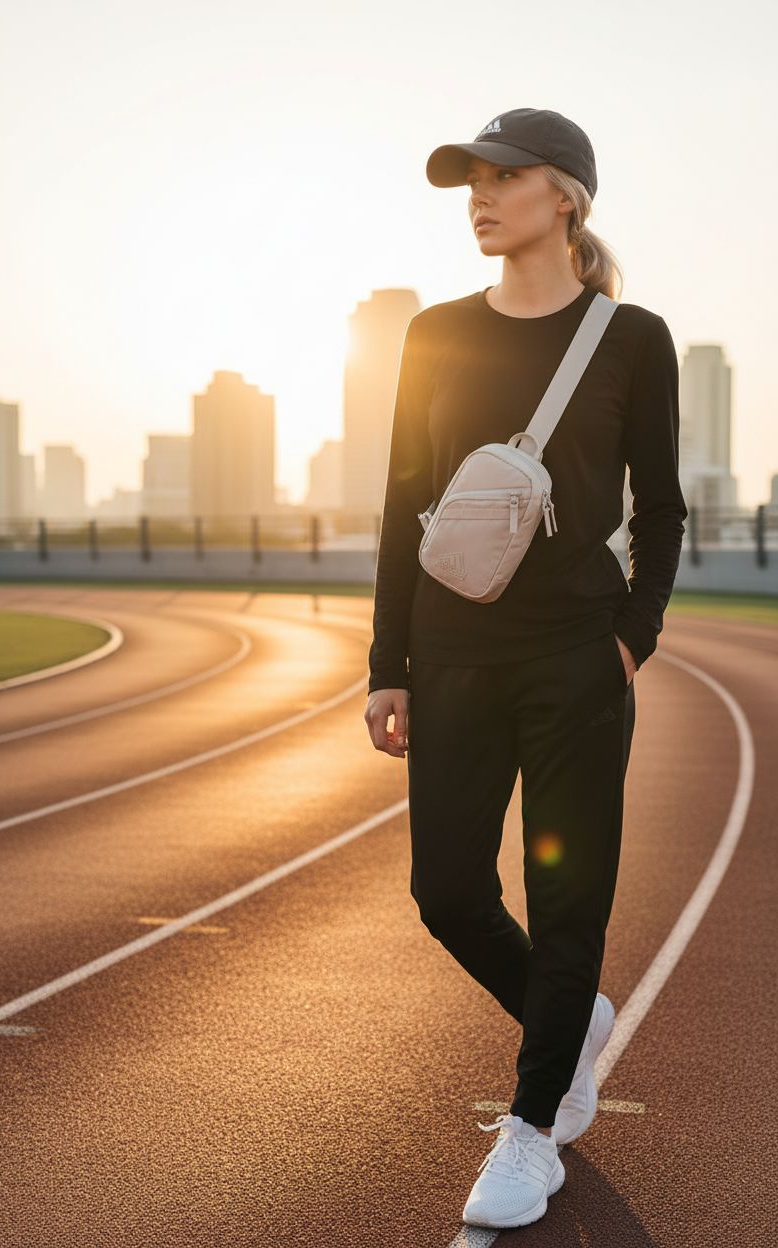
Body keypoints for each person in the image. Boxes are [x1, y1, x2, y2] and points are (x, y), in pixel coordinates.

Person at [363, 107, 688, 1230]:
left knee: (567, 901)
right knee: (446, 891)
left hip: (573, 660)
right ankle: (573, 1019)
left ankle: (534, 1122)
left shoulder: (631, 337)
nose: (481, 195)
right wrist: (385, 663)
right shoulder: (434, 333)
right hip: (450, 656)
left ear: (566, 197)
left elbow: (662, 505)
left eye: (504, 177)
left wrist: (628, 639)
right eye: (471, 180)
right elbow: (403, 502)